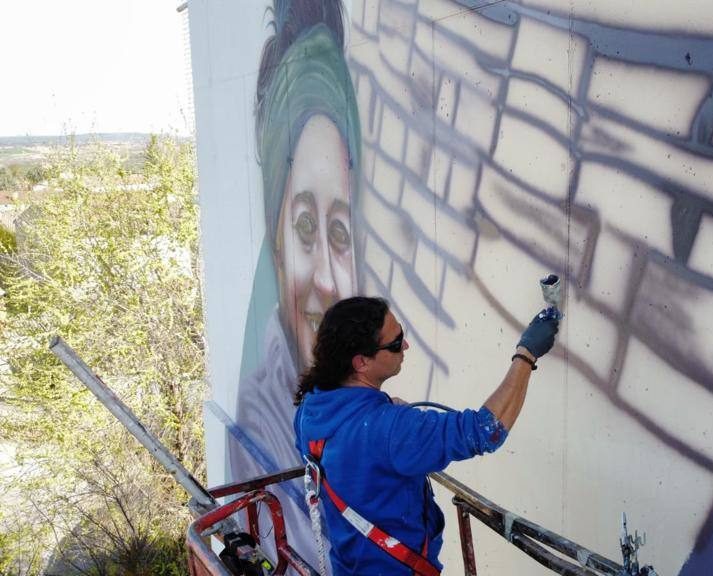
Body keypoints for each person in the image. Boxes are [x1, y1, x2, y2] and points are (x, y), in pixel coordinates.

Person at [229, 0, 362, 566]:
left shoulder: (357, 383)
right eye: (306, 225)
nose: (330, 278)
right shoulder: (259, 431)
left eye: (339, 230)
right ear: (277, 244)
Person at [293, 296, 560, 574]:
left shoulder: (311, 408)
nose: (405, 345)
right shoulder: (393, 430)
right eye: (395, 343)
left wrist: (382, 412)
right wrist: (526, 354)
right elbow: (487, 429)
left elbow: (355, 450)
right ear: (361, 362)